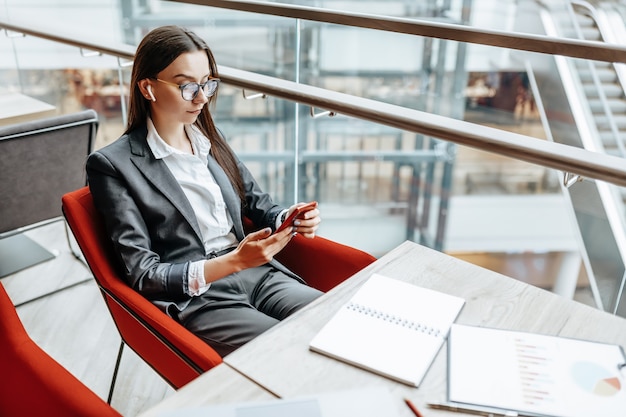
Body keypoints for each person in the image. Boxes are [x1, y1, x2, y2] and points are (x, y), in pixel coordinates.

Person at [86, 25, 323, 356]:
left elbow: (256, 203)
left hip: (258, 274)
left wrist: (290, 218)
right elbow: (142, 272)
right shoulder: (113, 165)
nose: (202, 97)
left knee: (332, 318)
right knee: (284, 351)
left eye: (207, 83)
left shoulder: (208, 138)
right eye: (186, 86)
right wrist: (233, 262)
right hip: (198, 297)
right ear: (148, 87)